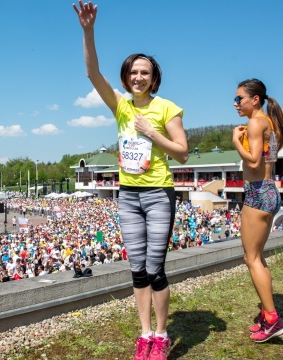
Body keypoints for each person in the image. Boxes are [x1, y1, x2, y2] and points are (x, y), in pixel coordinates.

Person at [73, 2, 189, 359]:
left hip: (157, 193)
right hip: (128, 196)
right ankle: (144, 335)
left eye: (145, 73)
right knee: (137, 269)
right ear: (126, 77)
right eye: (133, 72)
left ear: (154, 78)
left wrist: (152, 133)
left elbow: (182, 153)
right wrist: (88, 31)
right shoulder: (121, 106)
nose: (139, 77)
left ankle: (162, 333)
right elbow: (93, 74)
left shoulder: (167, 107)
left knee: (155, 267)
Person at [232, 78, 283, 343]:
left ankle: (271, 319)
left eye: (239, 98)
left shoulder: (254, 123)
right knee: (258, 256)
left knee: (251, 258)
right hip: (269, 190)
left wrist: (237, 141)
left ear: (255, 99)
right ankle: (266, 313)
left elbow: (254, 158)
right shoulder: (269, 122)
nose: (235, 103)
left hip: (257, 191)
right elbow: (281, 118)